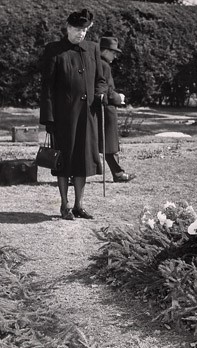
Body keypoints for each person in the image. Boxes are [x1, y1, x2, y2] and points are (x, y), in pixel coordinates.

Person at [40, 9, 107, 220]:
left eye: (85, 30)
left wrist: (100, 93)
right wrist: (48, 119)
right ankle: (64, 205)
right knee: (63, 161)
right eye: (78, 29)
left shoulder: (93, 48)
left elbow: (101, 79)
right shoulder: (54, 50)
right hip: (62, 117)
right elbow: (47, 88)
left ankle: (79, 204)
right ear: (68, 28)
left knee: (83, 161)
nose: (81, 34)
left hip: (87, 116)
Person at [99, 35, 136, 183]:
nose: (115, 55)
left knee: (105, 144)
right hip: (106, 108)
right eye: (113, 52)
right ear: (105, 51)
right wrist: (118, 98)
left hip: (102, 107)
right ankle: (118, 173)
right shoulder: (104, 65)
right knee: (109, 144)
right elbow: (105, 90)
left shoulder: (98, 63)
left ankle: (118, 172)